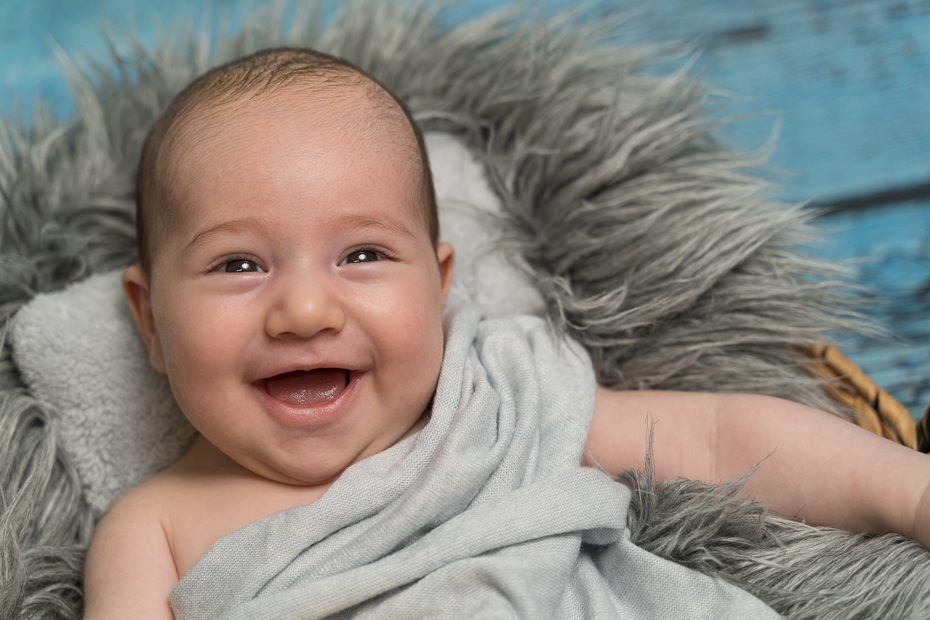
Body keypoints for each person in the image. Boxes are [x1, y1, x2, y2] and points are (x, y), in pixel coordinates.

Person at [82, 47, 930, 618]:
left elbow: (715, 436)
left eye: (364, 253)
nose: (304, 311)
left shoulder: (491, 393)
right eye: (239, 265)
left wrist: (912, 493)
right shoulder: (154, 530)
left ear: (440, 288)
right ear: (151, 320)